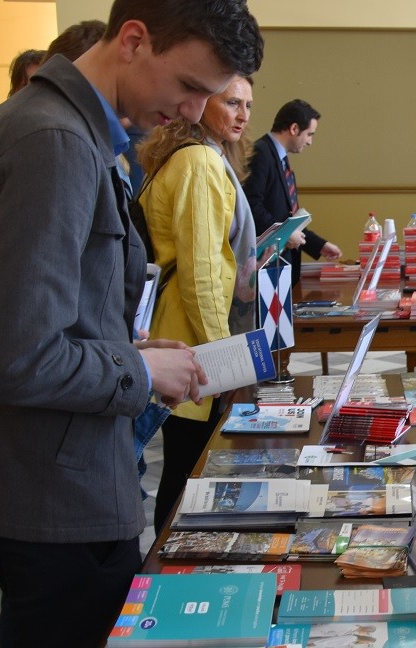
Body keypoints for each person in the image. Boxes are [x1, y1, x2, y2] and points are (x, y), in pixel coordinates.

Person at [0, 1, 261, 644]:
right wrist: (139, 366)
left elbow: (45, 309)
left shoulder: (61, 127)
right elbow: (20, 357)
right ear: (134, 40)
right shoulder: (55, 142)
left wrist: (132, 348)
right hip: (46, 482)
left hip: (36, 466)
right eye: (189, 86)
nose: (193, 112)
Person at [139, 75, 260, 536]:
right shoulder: (198, 161)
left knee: (186, 465)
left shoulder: (197, 155)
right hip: (192, 338)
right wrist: (225, 360)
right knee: (189, 471)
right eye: (231, 102)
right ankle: (168, 562)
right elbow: (202, 272)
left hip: (183, 332)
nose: (242, 115)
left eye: (248, 105)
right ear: (202, 101)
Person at [243, 99, 342, 275]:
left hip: (281, 265)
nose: (310, 141)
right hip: (265, 266)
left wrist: (319, 245)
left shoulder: (281, 160)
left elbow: (290, 219)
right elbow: (252, 207)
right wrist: (284, 234)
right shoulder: (261, 153)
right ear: (294, 128)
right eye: (309, 134)